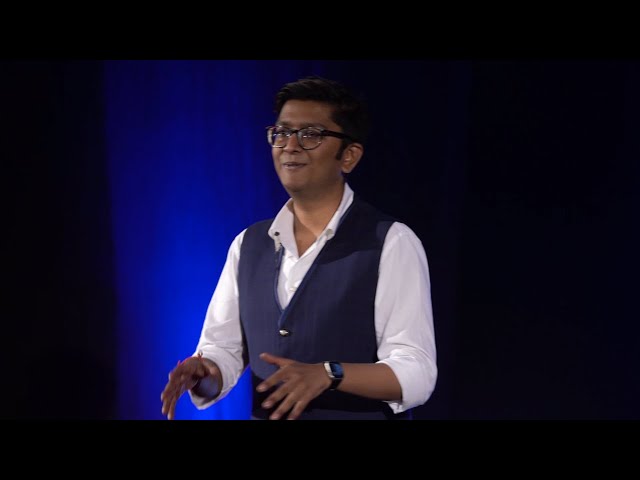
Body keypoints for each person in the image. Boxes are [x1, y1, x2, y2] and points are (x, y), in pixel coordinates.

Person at [161, 76, 437, 420]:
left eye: (310, 135)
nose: (290, 146)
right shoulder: (248, 244)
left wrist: (330, 373)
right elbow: (223, 351)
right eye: (281, 133)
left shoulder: (391, 242)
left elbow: (417, 371)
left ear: (349, 156)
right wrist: (203, 373)